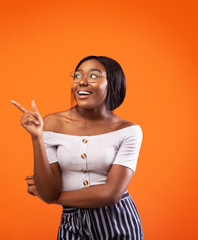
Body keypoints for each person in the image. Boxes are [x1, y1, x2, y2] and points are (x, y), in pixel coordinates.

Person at [11, 56, 144, 239]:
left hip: (117, 221)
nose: (82, 82)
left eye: (93, 76)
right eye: (77, 75)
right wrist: (37, 137)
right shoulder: (51, 123)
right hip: (71, 222)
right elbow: (49, 189)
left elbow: (111, 194)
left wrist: (53, 198)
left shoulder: (129, 131)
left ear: (112, 83)